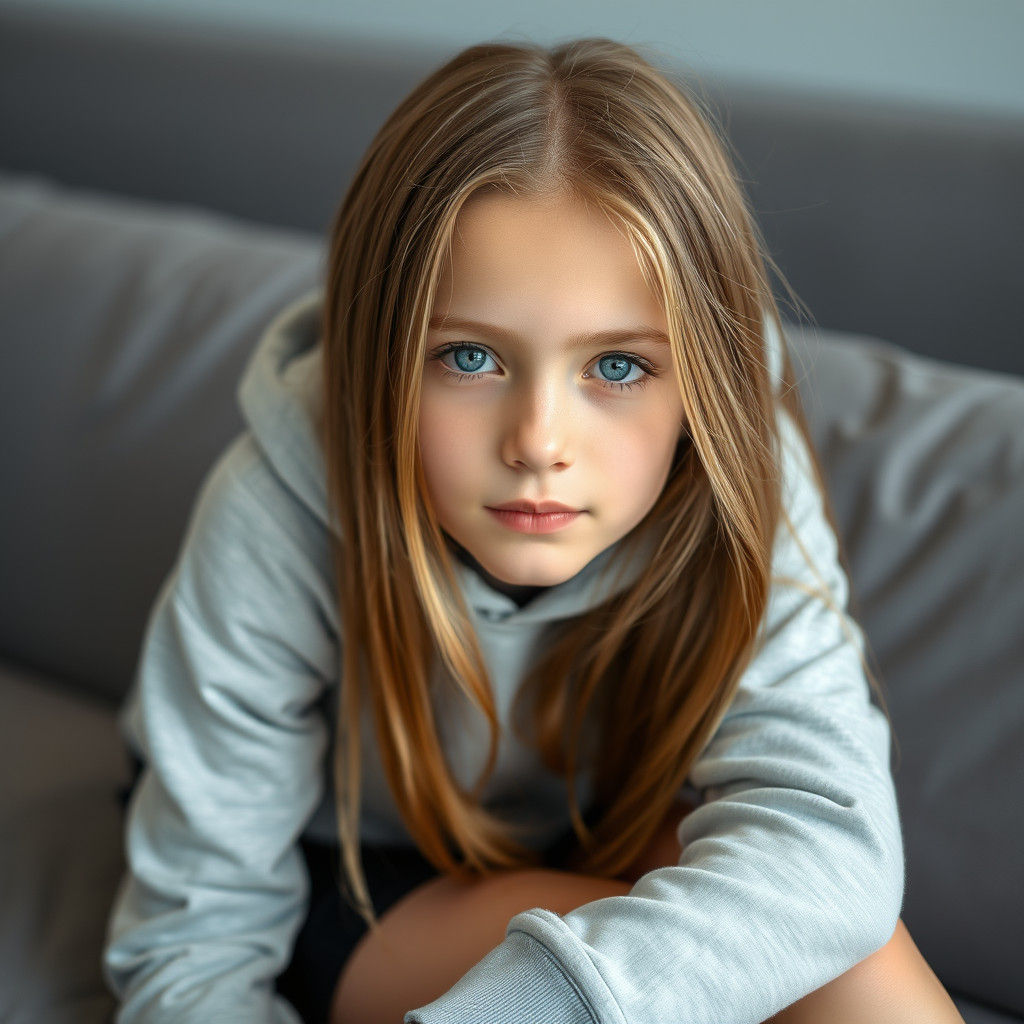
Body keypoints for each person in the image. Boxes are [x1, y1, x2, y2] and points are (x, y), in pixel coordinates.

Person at [102, 36, 965, 1024]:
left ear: (700, 382)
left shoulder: (737, 470)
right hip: (340, 862)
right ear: (382, 354)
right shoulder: (275, 507)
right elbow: (191, 950)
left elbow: (828, 847)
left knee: (848, 959)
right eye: (469, 357)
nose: (538, 442)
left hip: (603, 827)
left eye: (616, 367)